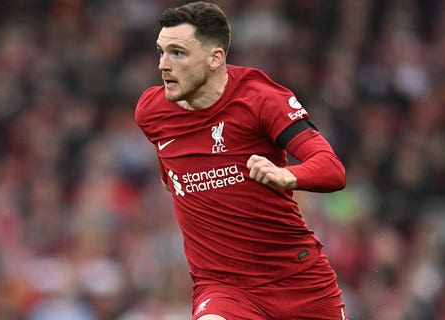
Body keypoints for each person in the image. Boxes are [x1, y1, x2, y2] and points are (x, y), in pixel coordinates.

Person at [134, 2, 349, 320]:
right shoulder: (151, 111)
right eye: (161, 52)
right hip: (223, 289)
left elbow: (332, 169)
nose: (164, 64)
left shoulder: (260, 99)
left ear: (215, 58)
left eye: (177, 53)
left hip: (299, 283)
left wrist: (287, 175)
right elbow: (174, 174)